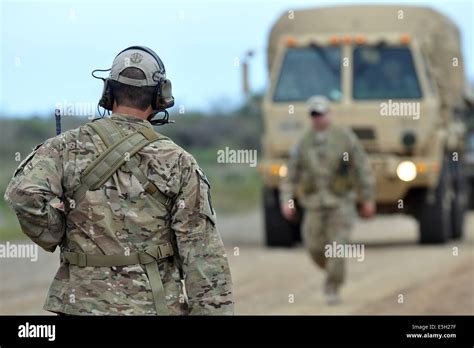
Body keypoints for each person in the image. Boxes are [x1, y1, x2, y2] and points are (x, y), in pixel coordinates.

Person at [4, 46, 234, 315]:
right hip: (152, 307)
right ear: (161, 97)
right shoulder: (178, 162)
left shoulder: (66, 147)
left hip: (80, 305)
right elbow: (202, 257)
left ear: (108, 92)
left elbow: (22, 194)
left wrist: (56, 230)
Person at [279, 95, 375, 305]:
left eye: (322, 113)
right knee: (314, 247)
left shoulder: (345, 138)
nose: (318, 118)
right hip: (313, 204)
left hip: (341, 202)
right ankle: (333, 269)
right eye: (314, 114)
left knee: (338, 246)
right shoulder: (303, 142)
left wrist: (367, 198)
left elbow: (362, 168)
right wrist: (287, 200)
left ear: (329, 114)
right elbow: (290, 174)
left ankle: (332, 287)